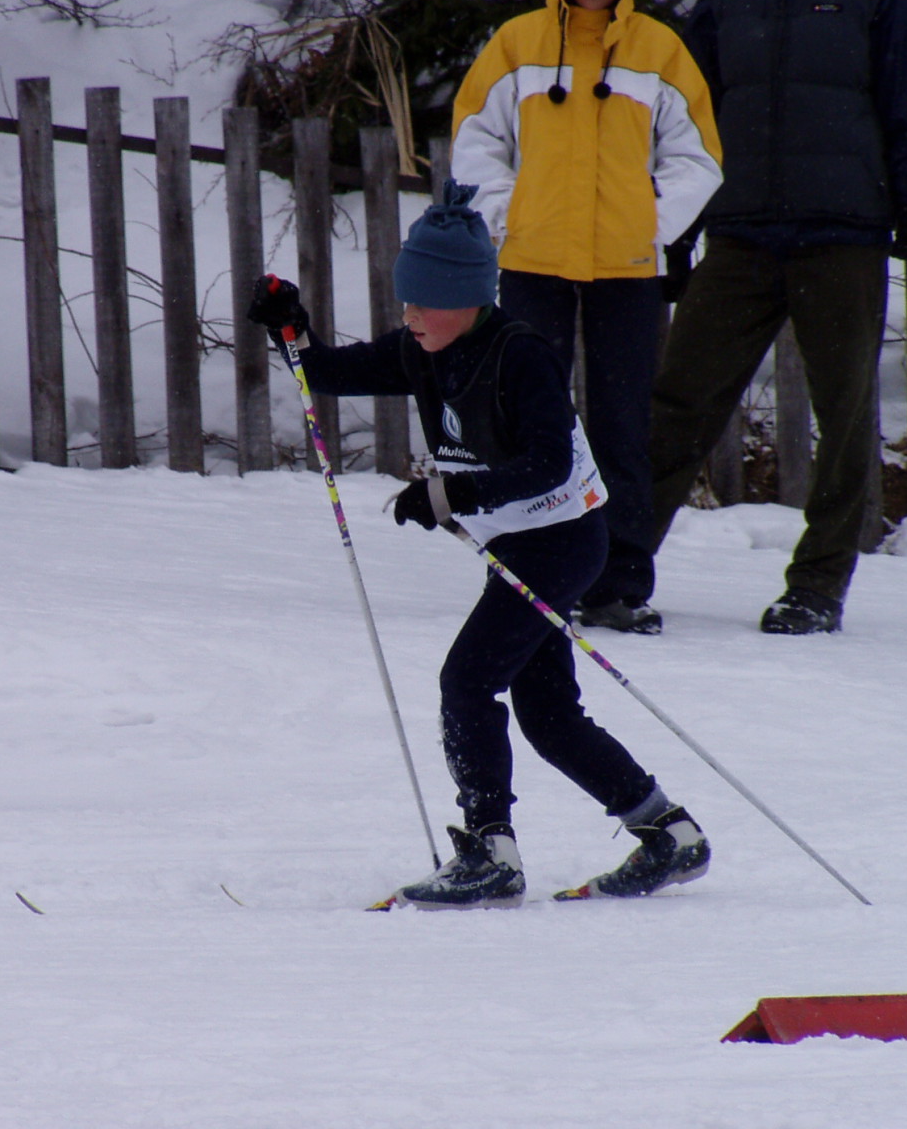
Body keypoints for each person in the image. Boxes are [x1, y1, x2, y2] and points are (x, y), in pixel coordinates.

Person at [247, 181, 709, 909]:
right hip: (522, 548)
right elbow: (327, 375)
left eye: (424, 303)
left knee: (467, 681)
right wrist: (292, 329)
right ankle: (669, 834)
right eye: (406, 302)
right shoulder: (424, 349)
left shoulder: (520, 355)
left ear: (470, 298)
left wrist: (453, 494)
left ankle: (491, 850)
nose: (410, 316)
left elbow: (548, 463)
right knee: (549, 715)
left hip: (562, 542)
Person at [647, 0, 907, 634]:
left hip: (842, 231)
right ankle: (615, 564)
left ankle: (817, 585)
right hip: (740, 228)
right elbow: (691, 111)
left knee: (842, 413)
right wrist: (680, 226)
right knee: (677, 401)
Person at [450, 0, 723, 636]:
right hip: (533, 260)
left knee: (622, 424)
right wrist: (509, 220)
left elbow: (697, 155)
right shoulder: (517, 42)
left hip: (626, 268)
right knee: (532, 420)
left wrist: (648, 226)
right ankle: (531, 570)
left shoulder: (659, 50)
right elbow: (477, 139)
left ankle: (618, 582)